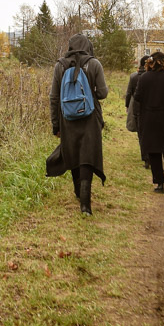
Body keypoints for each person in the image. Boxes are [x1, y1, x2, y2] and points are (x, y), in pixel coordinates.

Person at [46, 34, 109, 216]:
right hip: (90, 117)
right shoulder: (94, 64)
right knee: (87, 155)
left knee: (73, 152)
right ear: (88, 46)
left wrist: (55, 125)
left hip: (67, 118)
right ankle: (85, 204)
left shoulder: (60, 65)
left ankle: (77, 191)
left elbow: (54, 97)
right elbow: (103, 93)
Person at [134, 51, 164, 192]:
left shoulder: (144, 77)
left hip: (149, 118)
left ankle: (159, 183)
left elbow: (137, 96)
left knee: (153, 151)